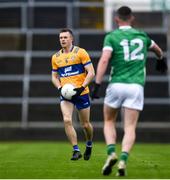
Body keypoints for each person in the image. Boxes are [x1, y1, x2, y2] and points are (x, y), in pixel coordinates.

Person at [91, 6, 167, 176]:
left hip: (116, 84)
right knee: (130, 127)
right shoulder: (142, 36)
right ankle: (123, 161)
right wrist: (161, 59)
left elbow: (104, 60)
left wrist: (97, 84)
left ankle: (111, 153)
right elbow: (157, 49)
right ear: (132, 18)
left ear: (116, 19)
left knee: (109, 121)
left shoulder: (112, 37)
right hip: (136, 86)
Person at [51, 28, 95, 161]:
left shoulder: (81, 52)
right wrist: (60, 88)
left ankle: (89, 144)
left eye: (65, 37)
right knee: (67, 120)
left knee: (85, 125)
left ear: (71, 39)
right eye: (60, 38)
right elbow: (54, 76)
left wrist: (81, 89)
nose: (62, 40)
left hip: (81, 93)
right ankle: (76, 150)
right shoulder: (56, 57)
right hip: (66, 94)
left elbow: (91, 72)